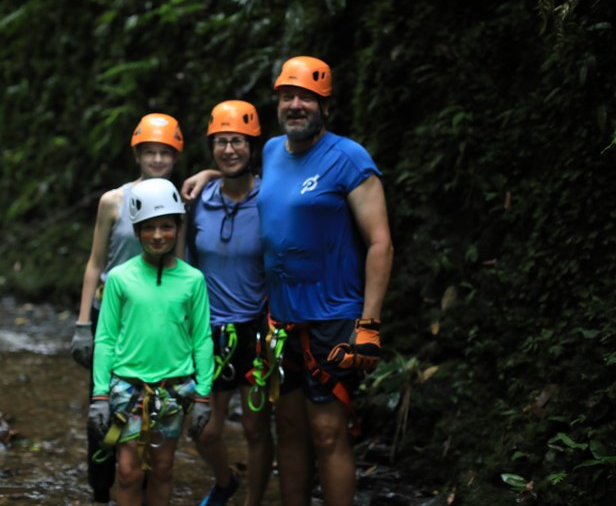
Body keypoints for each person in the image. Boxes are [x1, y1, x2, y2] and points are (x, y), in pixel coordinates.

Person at [182, 56, 393, 506]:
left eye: (306, 98)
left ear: (324, 105)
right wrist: (211, 173)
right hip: (279, 320)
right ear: (278, 102)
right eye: (287, 96)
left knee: (327, 429)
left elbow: (380, 243)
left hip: (334, 315)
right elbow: (245, 177)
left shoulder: (348, 158)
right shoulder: (275, 151)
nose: (296, 104)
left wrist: (369, 324)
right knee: (291, 428)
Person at [70, 112, 184, 505]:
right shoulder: (112, 201)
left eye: (164, 153)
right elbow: (95, 263)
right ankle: (102, 487)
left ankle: (145, 482)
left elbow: (181, 265)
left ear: (175, 156)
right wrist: (83, 323)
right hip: (111, 318)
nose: (156, 160)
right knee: (104, 405)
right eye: (149, 152)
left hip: (156, 320)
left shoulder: (178, 202)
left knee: (159, 399)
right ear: (137, 154)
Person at [87, 178, 214, 506]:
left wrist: (203, 394)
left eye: (166, 227)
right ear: (137, 230)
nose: (158, 235)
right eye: (149, 228)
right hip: (128, 388)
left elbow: (201, 338)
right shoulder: (119, 278)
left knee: (162, 468)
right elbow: (105, 338)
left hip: (174, 389)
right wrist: (100, 394)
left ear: (178, 227)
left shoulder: (192, 280)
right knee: (128, 471)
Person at [188, 100, 273, 506]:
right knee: (203, 428)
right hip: (210, 330)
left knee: (256, 429)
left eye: (237, 141)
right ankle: (225, 482)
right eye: (221, 142)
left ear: (252, 146)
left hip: (257, 328)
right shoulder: (198, 198)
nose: (229, 150)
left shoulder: (269, 198)